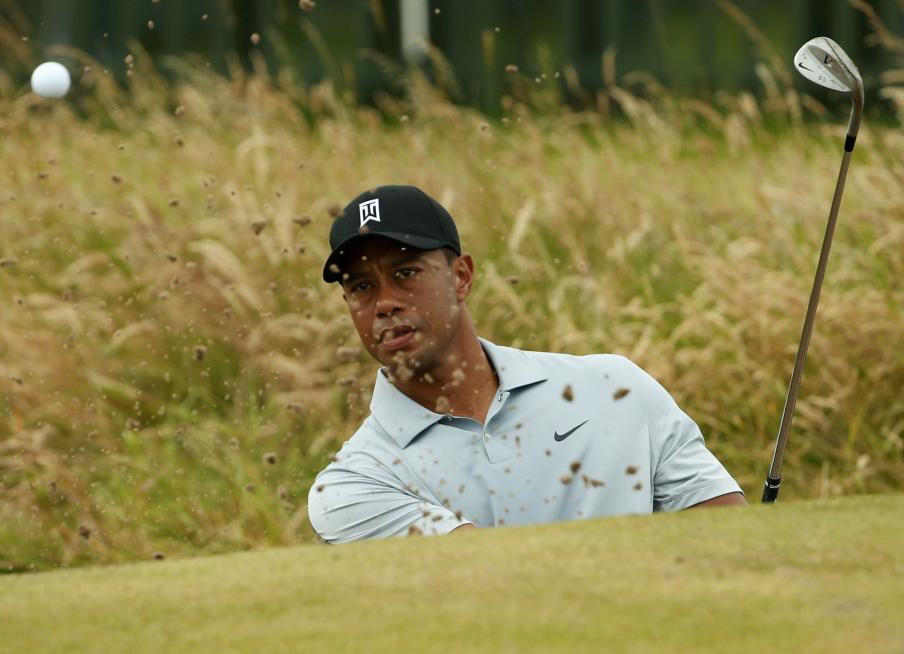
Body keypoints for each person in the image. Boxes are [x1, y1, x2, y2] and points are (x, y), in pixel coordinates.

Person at [307, 185, 746, 544]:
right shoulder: (353, 485)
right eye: (362, 287)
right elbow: (507, 585)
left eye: (405, 273)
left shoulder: (616, 387)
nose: (384, 303)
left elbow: (730, 538)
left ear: (461, 276)